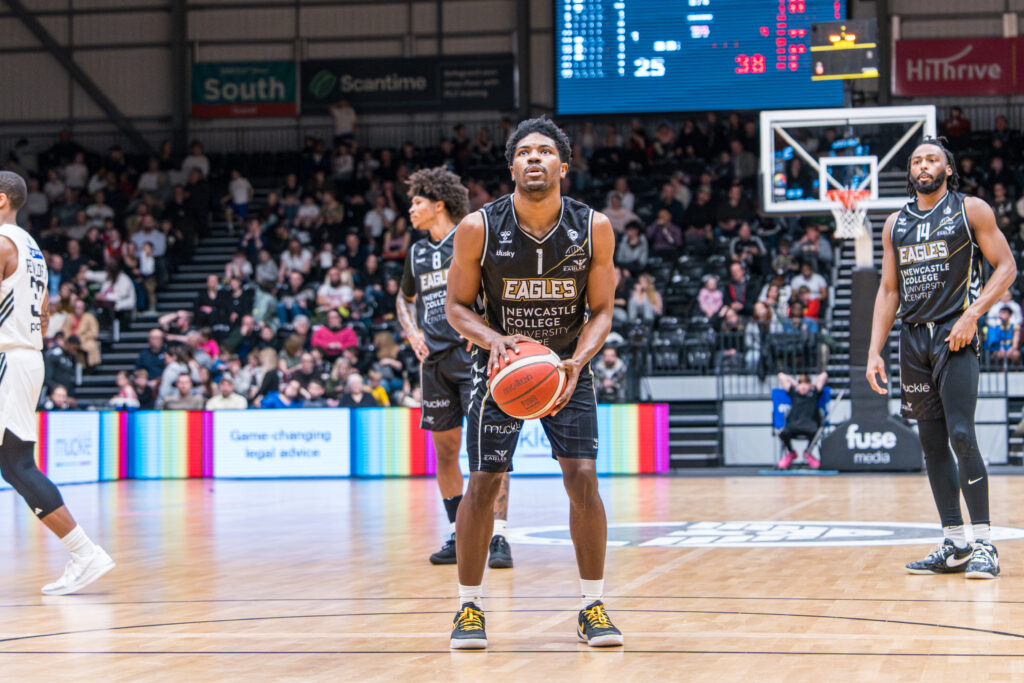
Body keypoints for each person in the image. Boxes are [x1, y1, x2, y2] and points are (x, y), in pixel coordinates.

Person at [444, 117, 623, 648]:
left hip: (566, 368)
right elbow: (455, 307)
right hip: (502, 370)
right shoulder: (479, 226)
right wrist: (492, 339)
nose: (534, 159)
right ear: (512, 166)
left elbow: (603, 311)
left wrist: (576, 361)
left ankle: (592, 606)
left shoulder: (594, 227)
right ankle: (468, 608)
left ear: (563, 166)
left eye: (545, 151)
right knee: (483, 482)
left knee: (583, 479)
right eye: (524, 152)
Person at [867, 137, 1017, 579]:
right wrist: (874, 350)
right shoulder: (895, 223)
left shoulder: (971, 210)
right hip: (912, 340)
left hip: (954, 334)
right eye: (916, 160)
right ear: (910, 171)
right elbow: (889, 290)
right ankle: (954, 543)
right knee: (931, 444)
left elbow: (1006, 267)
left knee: (961, 434)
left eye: (932, 159)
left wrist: (972, 314)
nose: (924, 165)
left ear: (948, 169)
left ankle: (985, 543)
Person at [0, 171, 115, 594]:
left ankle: (85, 553)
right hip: (24, 356)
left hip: (8, 360)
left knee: (16, 464)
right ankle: (84, 553)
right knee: (14, 464)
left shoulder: (2, 242)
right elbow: (45, 314)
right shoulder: (32, 250)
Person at [397, 166, 513, 569]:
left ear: (438, 204)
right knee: (445, 451)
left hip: (472, 357)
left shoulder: (469, 236)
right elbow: (402, 299)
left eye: (416, 202)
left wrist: (481, 327)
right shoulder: (416, 252)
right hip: (435, 363)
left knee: (489, 448)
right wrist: (412, 332)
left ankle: (498, 536)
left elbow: (498, 287)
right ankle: (456, 533)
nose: (410, 210)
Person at [776, 371, 828, 470]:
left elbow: (824, 375)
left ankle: (808, 452)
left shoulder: (814, 394)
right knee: (783, 433)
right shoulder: (793, 393)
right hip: (794, 426)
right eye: (801, 384)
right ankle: (791, 453)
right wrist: (796, 384)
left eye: (806, 384)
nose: (803, 386)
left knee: (816, 432)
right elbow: (781, 375)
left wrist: (812, 385)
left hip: (809, 426)